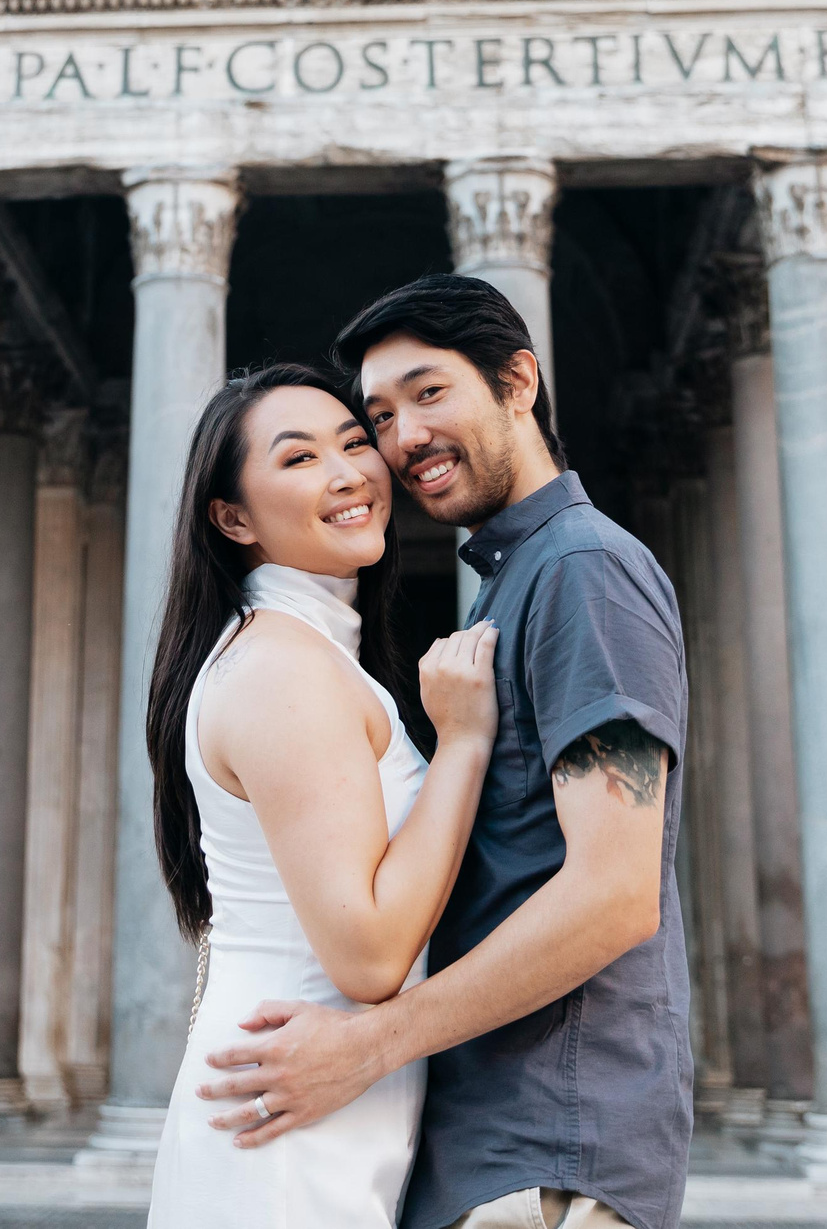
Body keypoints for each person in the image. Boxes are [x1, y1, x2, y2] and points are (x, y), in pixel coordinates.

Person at [197, 276, 692, 1229]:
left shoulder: (582, 570)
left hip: (552, 1144)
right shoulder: (517, 581)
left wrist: (372, 1044)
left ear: (518, 381)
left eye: (429, 393)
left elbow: (616, 891)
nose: (402, 437)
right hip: (498, 1142)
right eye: (380, 414)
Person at [148, 363, 501, 1228]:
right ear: (232, 517)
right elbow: (371, 954)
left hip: (310, 1106)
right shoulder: (281, 668)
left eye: (353, 442)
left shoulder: (300, 653)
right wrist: (463, 742)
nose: (349, 472)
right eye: (299, 458)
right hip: (286, 1127)